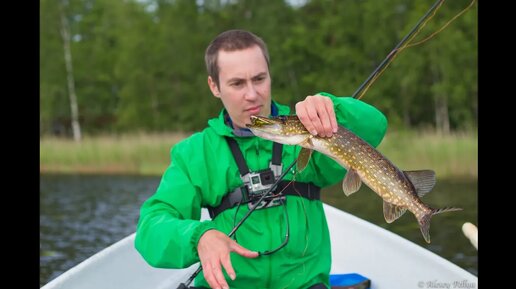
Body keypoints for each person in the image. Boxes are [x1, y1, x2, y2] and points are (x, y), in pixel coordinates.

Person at [135, 29, 387, 289]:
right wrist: (199, 236)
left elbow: (375, 128)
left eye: (259, 79)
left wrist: (333, 109)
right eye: (237, 83)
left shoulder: (310, 129)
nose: (252, 94)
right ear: (214, 86)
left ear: (269, 75)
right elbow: (151, 228)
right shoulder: (196, 153)